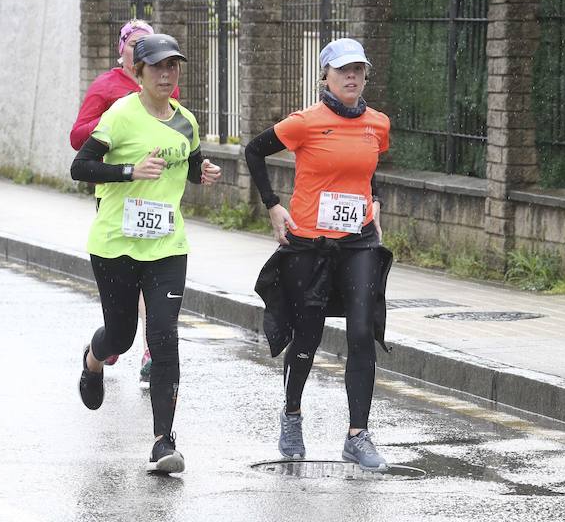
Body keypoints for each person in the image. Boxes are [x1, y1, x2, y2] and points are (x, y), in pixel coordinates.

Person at [71, 33, 221, 473]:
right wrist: (128, 171)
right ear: (139, 73)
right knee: (121, 337)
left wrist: (203, 171)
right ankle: (93, 360)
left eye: (173, 66)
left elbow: (191, 165)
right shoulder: (120, 115)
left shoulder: (186, 122)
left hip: (166, 246)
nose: (166, 74)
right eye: (157, 67)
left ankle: (163, 441)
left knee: (164, 338)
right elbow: (80, 167)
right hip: (115, 245)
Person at [245, 38, 393, 471]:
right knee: (306, 335)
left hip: (359, 240)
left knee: (362, 332)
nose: (352, 77)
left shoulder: (377, 124)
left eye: (359, 70)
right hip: (310, 242)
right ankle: (292, 415)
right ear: (324, 76)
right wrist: (273, 205)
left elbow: (366, 168)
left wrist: (376, 198)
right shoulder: (304, 123)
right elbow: (254, 151)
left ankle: (357, 435)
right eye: (343, 70)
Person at [70, 19, 180, 384]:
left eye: (149, 43)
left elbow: (177, 135)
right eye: (135, 43)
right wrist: (116, 120)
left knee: (154, 272)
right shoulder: (107, 87)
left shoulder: (165, 88)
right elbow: (77, 139)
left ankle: (151, 347)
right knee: (128, 282)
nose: (143, 49)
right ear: (124, 51)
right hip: (117, 197)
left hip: (157, 200)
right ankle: (114, 338)